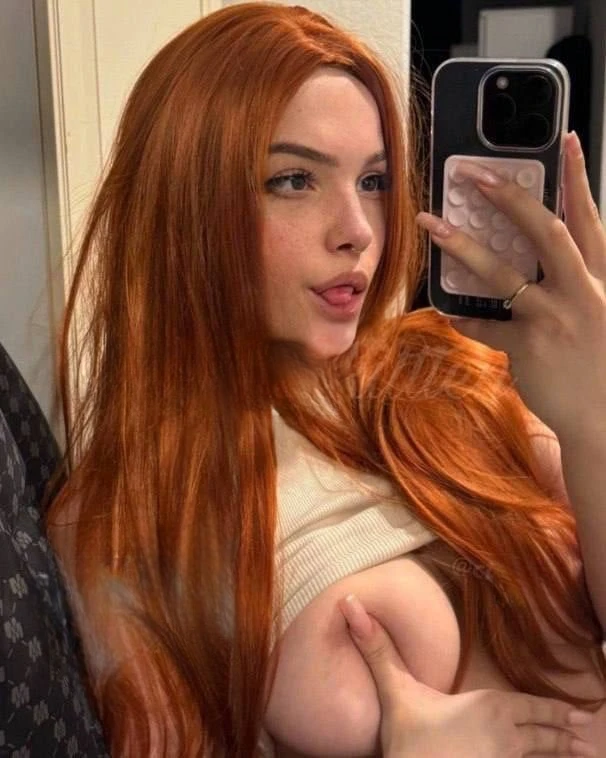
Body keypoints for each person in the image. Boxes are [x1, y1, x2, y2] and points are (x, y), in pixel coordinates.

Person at [46, 2, 606, 756]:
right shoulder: (118, 520)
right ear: (183, 205)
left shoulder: (453, 368)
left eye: (374, 179)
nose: (359, 229)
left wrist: (595, 417)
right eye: (293, 180)